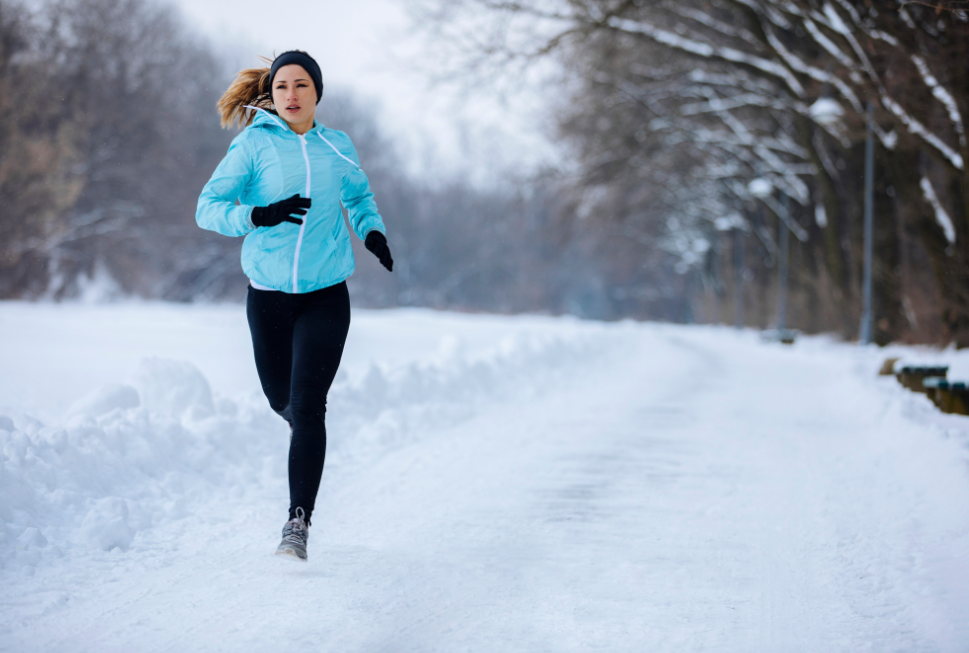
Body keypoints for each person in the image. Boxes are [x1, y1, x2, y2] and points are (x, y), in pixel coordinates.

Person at [196, 51, 393, 562]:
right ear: (272, 92)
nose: (291, 94)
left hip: (327, 295)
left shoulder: (337, 146)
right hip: (268, 298)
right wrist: (257, 214)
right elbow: (207, 208)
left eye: (301, 84)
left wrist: (372, 233)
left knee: (309, 406)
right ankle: (301, 428)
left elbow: (360, 199)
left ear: (316, 92)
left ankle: (297, 522)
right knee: (280, 399)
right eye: (282, 85)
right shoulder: (253, 145)